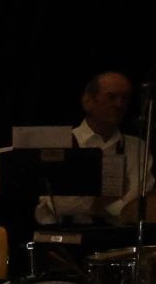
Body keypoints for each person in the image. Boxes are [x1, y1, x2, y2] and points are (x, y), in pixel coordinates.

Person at [35, 70, 152, 225]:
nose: (119, 104)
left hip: (119, 238)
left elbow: (138, 198)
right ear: (88, 101)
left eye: (125, 98)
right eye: (111, 97)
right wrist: (100, 204)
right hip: (66, 238)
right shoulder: (61, 142)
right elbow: (55, 202)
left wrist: (86, 203)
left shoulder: (137, 148)